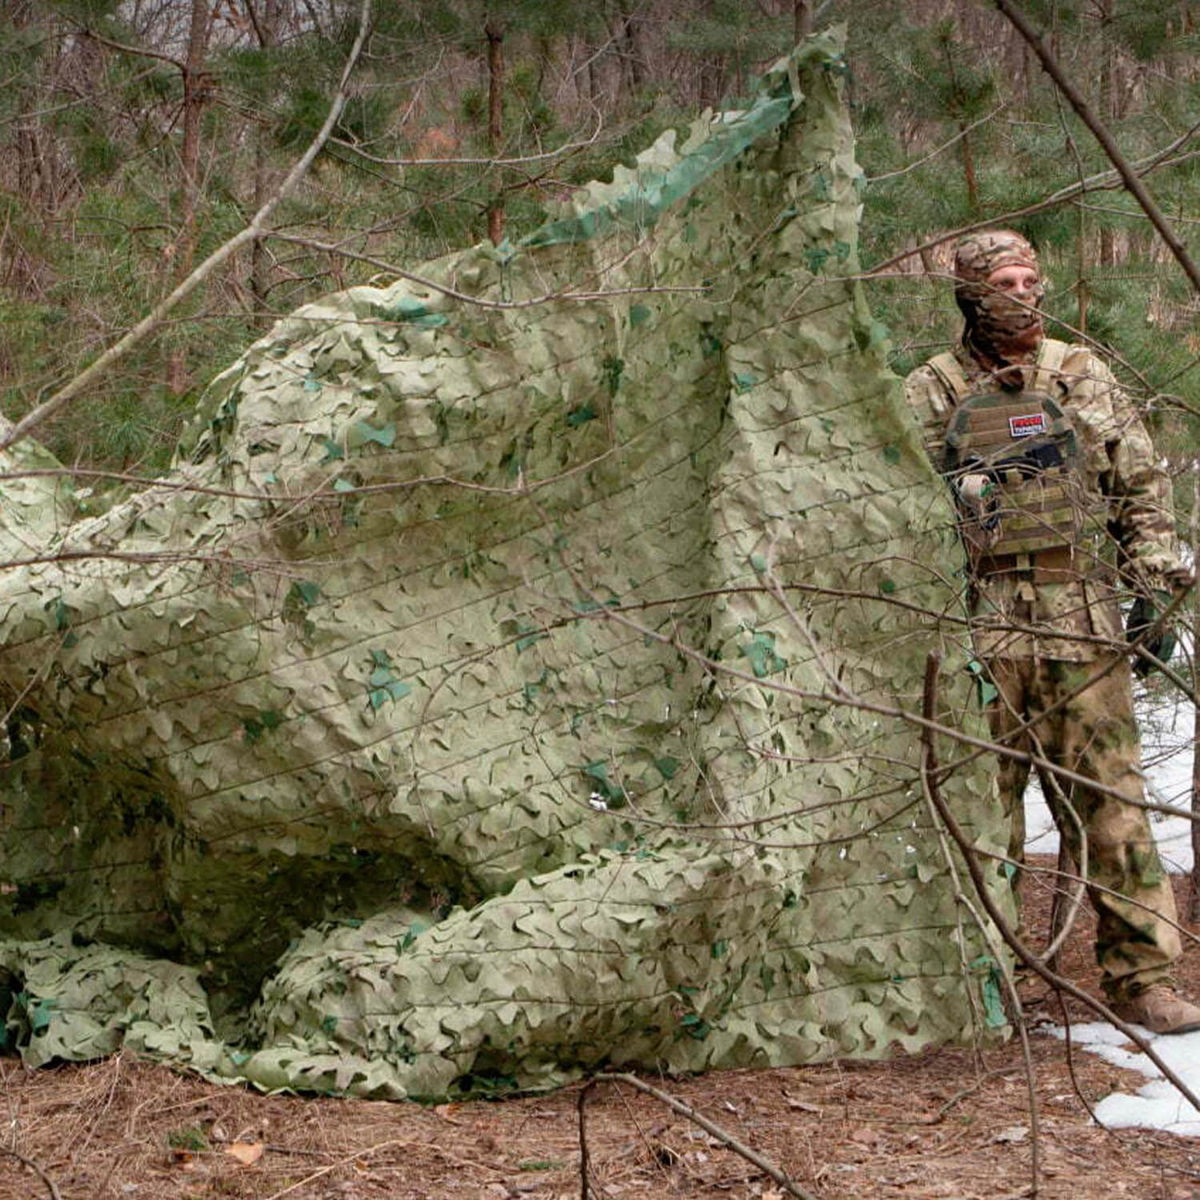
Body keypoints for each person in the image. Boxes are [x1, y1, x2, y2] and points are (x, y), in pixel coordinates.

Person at [904, 229, 1199, 1033]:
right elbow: (901, 518)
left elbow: (1139, 483)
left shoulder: (1080, 374)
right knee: (981, 812)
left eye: (1035, 276)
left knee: (1114, 806)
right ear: (971, 292)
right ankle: (984, 981)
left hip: (1081, 620)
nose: (1027, 292)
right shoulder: (929, 391)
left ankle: (1142, 979)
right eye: (1007, 279)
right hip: (981, 625)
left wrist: (1156, 590)